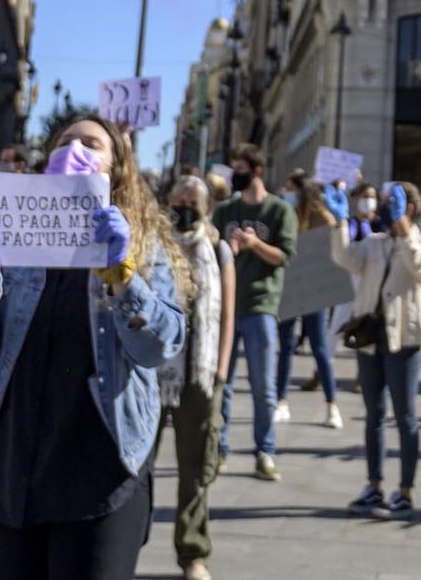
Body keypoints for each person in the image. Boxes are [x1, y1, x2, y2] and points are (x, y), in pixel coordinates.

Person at [0, 113, 184, 578]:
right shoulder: (14, 239)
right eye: (65, 141)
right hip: (10, 463)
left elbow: (159, 348)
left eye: (92, 144)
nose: (75, 150)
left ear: (116, 169)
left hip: (100, 466)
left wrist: (123, 277)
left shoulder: (140, 243)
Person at [324, 180, 421, 519]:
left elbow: (419, 266)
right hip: (371, 339)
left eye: (391, 203)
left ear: (409, 209)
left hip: (404, 340)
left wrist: (403, 229)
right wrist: (340, 223)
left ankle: (406, 490)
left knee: (405, 416)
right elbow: (345, 258)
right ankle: (373, 484)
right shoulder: (374, 243)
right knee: (374, 415)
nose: (383, 208)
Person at [161, 174, 235, 580]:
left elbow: (227, 315)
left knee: (195, 466)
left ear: (207, 209)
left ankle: (192, 553)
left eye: (194, 203)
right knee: (137, 464)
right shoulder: (154, 242)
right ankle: (124, 542)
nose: (186, 209)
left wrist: (220, 374)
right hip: (155, 370)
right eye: (180, 201)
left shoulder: (218, 249)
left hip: (199, 372)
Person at [211, 142, 297, 481]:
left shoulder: (279, 211)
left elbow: (284, 256)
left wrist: (255, 244)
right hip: (226, 308)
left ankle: (265, 452)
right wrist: (229, 249)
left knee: (263, 386)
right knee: (223, 383)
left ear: (257, 171)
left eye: (241, 169)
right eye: (234, 168)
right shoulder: (225, 212)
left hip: (261, 305)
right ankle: (218, 450)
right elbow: (210, 252)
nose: (236, 174)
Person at [275, 172, 343, 429]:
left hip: (314, 287)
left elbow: (334, 250)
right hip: (292, 285)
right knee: (286, 345)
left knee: (319, 347)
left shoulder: (323, 217)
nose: (287, 193)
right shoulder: (288, 214)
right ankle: (281, 401)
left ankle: (332, 404)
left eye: (291, 189)